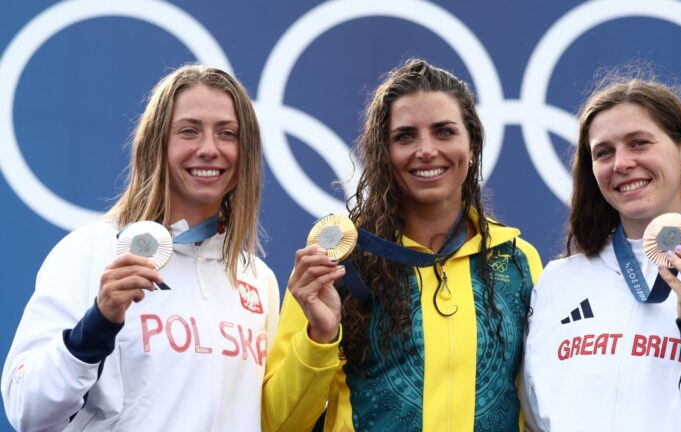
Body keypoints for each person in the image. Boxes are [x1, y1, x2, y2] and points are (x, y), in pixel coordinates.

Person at [262, 58, 542, 431]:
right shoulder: (340, 263)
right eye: (405, 136)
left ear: (472, 145)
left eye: (444, 132)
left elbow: (542, 408)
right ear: (383, 154)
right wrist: (320, 337)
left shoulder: (517, 261)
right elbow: (278, 424)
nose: (425, 150)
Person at [2, 65, 279, 430]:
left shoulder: (256, 278)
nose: (210, 149)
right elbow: (27, 408)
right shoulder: (91, 251)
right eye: (189, 131)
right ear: (156, 143)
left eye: (227, 134)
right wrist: (96, 326)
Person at [521, 72, 681, 431]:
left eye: (639, 143)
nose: (621, 163)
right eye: (604, 152)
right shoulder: (560, 281)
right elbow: (536, 414)